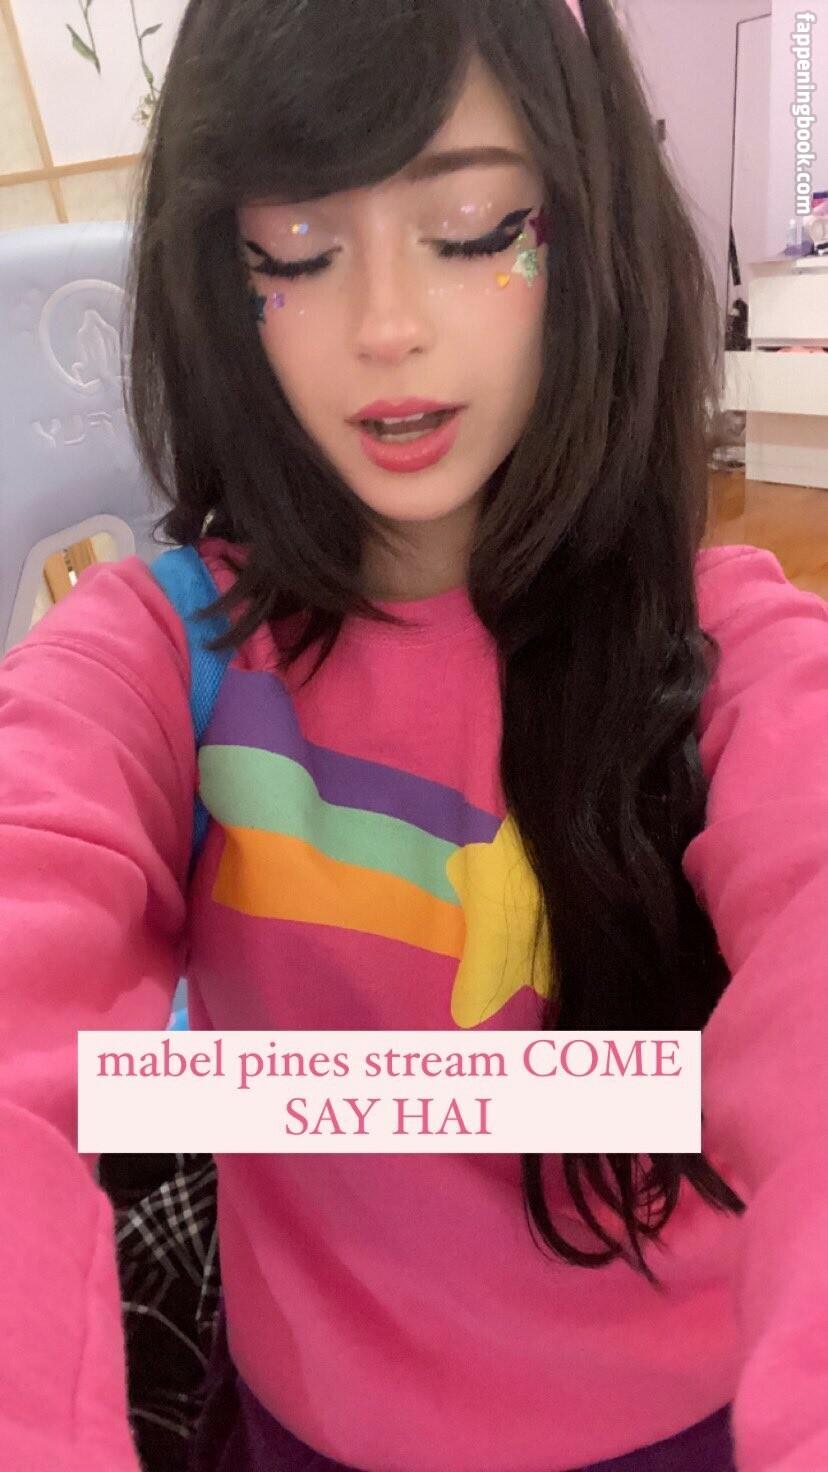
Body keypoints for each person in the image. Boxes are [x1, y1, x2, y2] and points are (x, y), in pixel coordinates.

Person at [1, 1, 827, 1469]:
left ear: (582, 230)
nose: (385, 325)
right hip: (306, 1431)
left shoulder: (721, 657)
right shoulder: (162, 658)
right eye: (297, 249)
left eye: (468, 229)